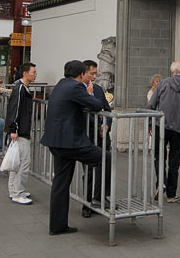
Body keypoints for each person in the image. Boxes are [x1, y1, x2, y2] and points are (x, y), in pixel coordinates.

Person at [40, 60, 108, 235]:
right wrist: (90, 94)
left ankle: (57, 225)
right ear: (80, 74)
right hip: (70, 143)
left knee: (60, 184)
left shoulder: (61, 85)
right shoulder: (76, 87)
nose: (89, 78)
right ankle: (100, 198)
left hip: (55, 141)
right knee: (105, 157)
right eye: (88, 75)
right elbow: (97, 105)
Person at [147, 61, 180, 203]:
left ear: (170, 71)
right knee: (174, 161)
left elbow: (152, 104)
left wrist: (150, 122)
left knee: (158, 156)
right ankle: (171, 195)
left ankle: (161, 182)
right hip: (179, 128)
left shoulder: (162, 84)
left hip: (160, 125)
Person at [81, 59, 112, 218]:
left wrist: (106, 125)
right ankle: (87, 202)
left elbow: (107, 110)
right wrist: (88, 95)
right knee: (90, 170)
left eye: (95, 73)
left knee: (105, 166)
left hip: (101, 135)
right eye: (91, 73)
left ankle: (101, 197)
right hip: (87, 135)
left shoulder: (99, 90)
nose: (94, 76)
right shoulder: (79, 90)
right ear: (83, 73)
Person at [4, 62, 37, 204]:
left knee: (16, 162)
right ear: (25, 73)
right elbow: (14, 110)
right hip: (20, 131)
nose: (35, 75)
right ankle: (18, 192)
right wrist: (14, 129)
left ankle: (14, 190)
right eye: (33, 72)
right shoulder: (20, 88)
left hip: (19, 130)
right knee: (23, 163)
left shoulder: (20, 87)